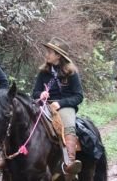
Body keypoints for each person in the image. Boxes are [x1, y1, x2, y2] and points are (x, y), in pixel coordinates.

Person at [32, 37, 83, 175]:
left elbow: (78, 96)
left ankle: (69, 163)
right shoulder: (43, 72)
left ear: (58, 55)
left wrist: (60, 103)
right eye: (47, 51)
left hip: (64, 106)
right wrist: (41, 94)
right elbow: (34, 93)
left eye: (50, 52)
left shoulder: (71, 73)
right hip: (44, 105)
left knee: (68, 125)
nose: (46, 54)